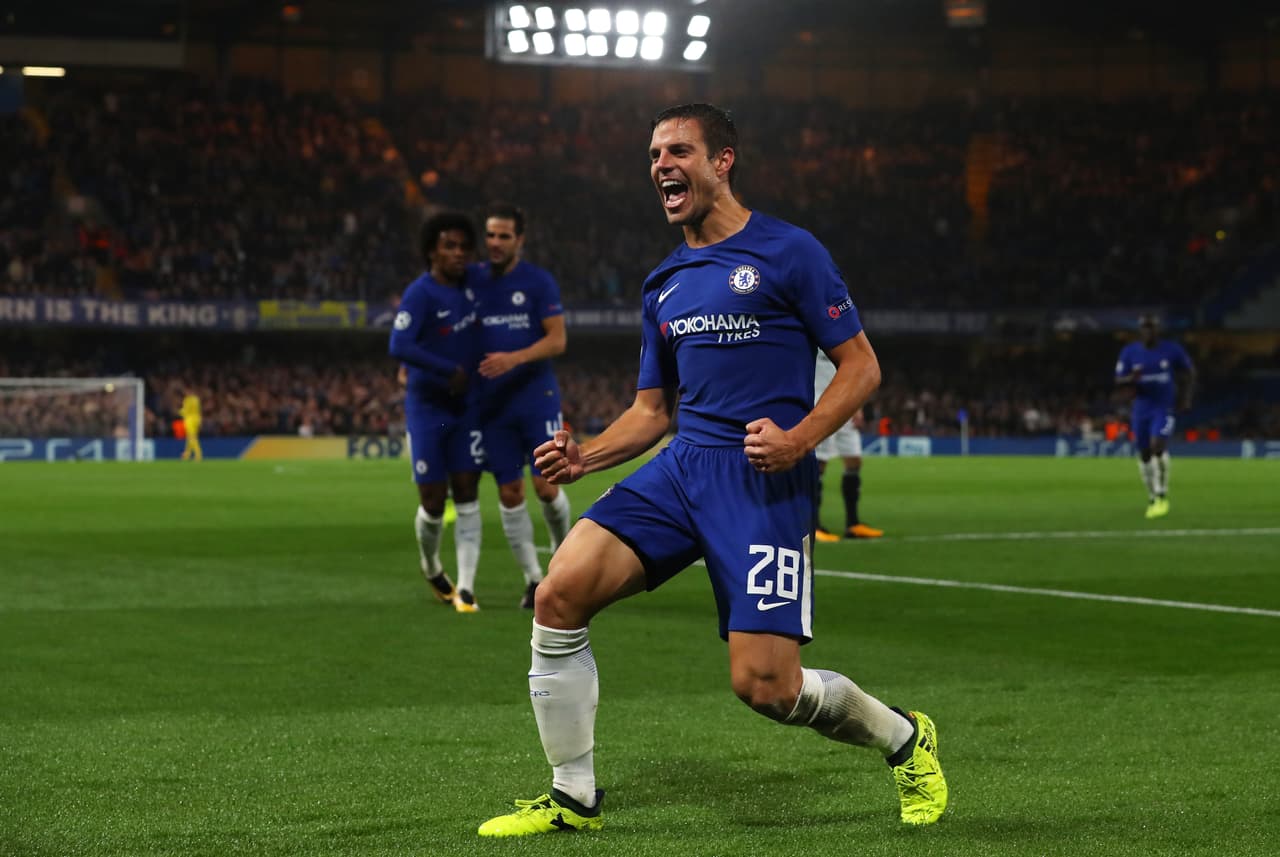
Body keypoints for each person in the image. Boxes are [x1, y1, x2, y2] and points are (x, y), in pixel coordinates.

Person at [477, 103, 946, 838]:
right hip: (682, 468)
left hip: (764, 478)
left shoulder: (791, 252)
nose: (662, 165)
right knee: (558, 594)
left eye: (678, 151)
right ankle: (573, 796)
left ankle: (905, 739)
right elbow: (653, 410)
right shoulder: (663, 281)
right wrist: (585, 456)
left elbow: (862, 368)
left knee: (767, 687)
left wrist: (798, 439)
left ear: (723, 161)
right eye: (654, 154)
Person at [473, 203, 574, 610]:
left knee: (546, 486)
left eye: (504, 236)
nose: (495, 243)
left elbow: (558, 340)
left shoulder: (537, 282)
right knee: (509, 492)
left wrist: (512, 359)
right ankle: (534, 579)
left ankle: (564, 560)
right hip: (492, 405)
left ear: (520, 240)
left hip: (536, 398)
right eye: (490, 235)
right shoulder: (473, 281)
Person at [388, 211, 485, 613]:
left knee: (467, 492)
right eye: (449, 246)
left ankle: (465, 588)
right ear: (432, 251)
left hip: (467, 407)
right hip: (428, 407)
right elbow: (399, 345)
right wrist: (449, 370)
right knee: (433, 499)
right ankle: (431, 566)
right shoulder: (420, 293)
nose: (459, 253)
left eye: (464, 246)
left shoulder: (475, 287)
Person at [1114, 315, 1195, 519]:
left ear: (1158, 330)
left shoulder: (1172, 349)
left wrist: (1185, 398)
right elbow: (1119, 380)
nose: (1148, 331)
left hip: (1163, 407)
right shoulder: (1130, 352)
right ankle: (1152, 496)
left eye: (1152, 328)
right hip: (1141, 409)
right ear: (1140, 330)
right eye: (1144, 328)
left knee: (1157, 445)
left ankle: (1162, 493)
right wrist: (1131, 378)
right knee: (1144, 454)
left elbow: (1189, 372)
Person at [813, 350, 883, 542]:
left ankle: (853, 523)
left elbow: (852, 367)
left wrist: (857, 404)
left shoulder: (841, 334)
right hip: (819, 403)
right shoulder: (809, 332)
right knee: (819, 464)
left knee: (854, 461)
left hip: (845, 402)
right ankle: (814, 525)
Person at [179, 389, 202, 461]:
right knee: (189, 438)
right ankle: (187, 454)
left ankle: (198, 454)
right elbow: (199, 409)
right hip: (197, 419)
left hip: (189, 420)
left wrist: (179, 412)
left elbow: (185, 411)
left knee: (192, 438)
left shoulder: (187, 400)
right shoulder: (196, 399)